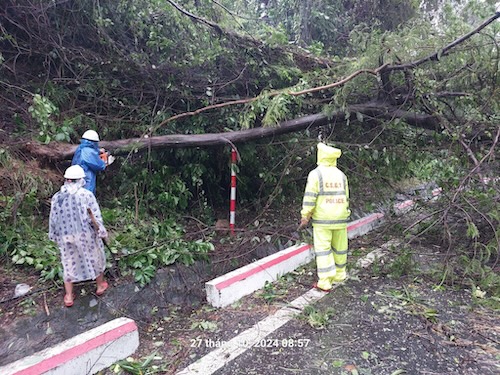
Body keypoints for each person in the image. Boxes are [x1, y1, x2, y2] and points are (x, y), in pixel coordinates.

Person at [49, 165, 109, 307]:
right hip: (85, 234)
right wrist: (100, 229)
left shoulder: (57, 197)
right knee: (95, 256)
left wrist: (54, 234)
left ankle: (69, 295)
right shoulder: (86, 195)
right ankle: (100, 285)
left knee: (68, 261)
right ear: (80, 180)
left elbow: (53, 218)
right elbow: (94, 216)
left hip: (66, 236)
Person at [299, 143, 351, 292]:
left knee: (323, 249)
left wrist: (305, 215)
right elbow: (346, 197)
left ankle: (325, 281)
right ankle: (340, 274)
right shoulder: (341, 175)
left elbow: (310, 197)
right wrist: (345, 213)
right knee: (340, 247)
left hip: (323, 219)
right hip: (340, 218)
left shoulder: (316, 174)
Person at [71, 130, 114, 195]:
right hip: (86, 177)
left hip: (76, 176)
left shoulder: (81, 148)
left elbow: (92, 151)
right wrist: (106, 162)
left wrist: (99, 151)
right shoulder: (90, 152)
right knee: (87, 196)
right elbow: (99, 165)